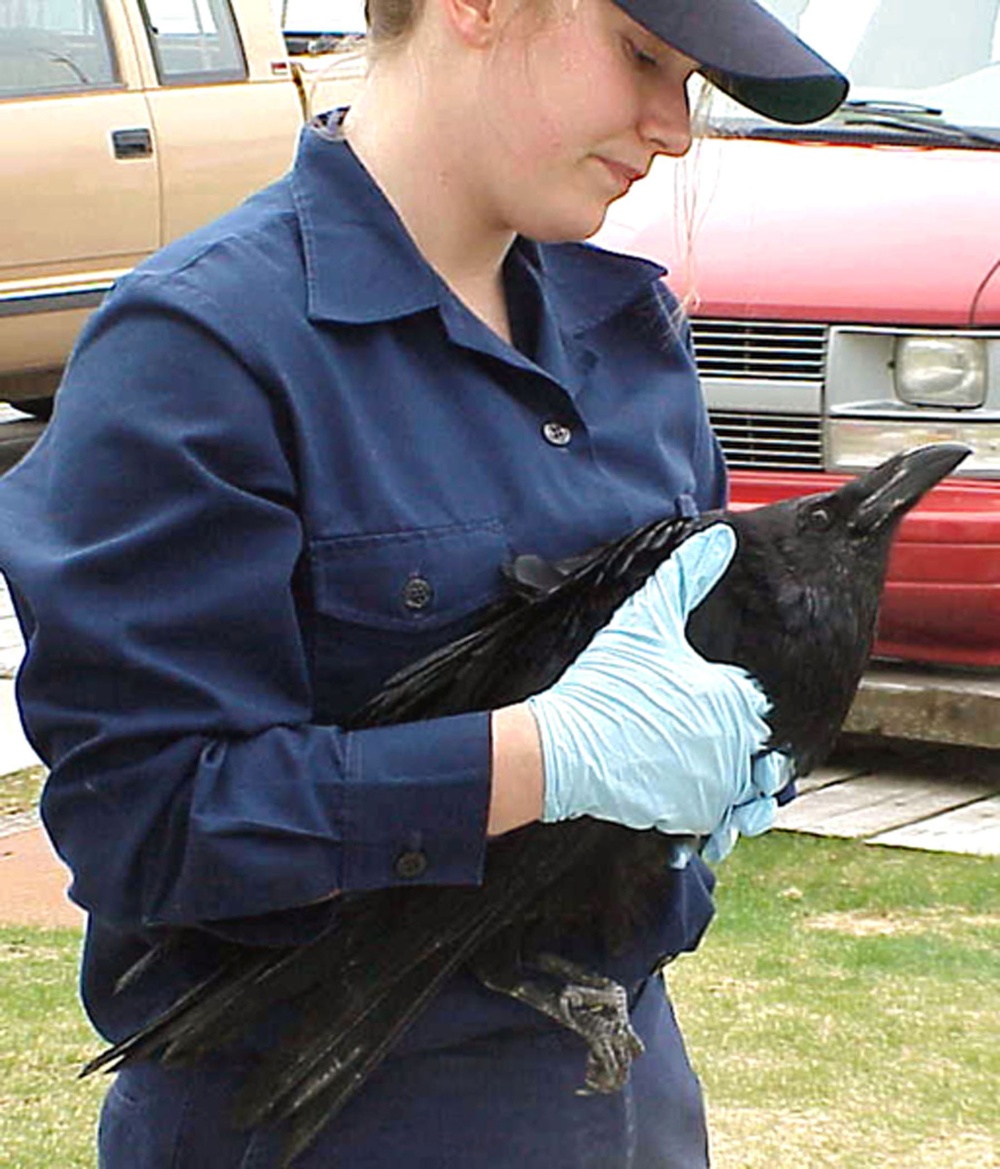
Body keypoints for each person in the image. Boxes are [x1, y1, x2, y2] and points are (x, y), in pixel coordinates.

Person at [0, 0, 846, 1164]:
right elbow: (144, 822)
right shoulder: (204, 350)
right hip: (323, 1116)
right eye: (642, 56)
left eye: (689, 80)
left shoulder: (627, 329)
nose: (673, 126)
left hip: (622, 1095)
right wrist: (536, 757)